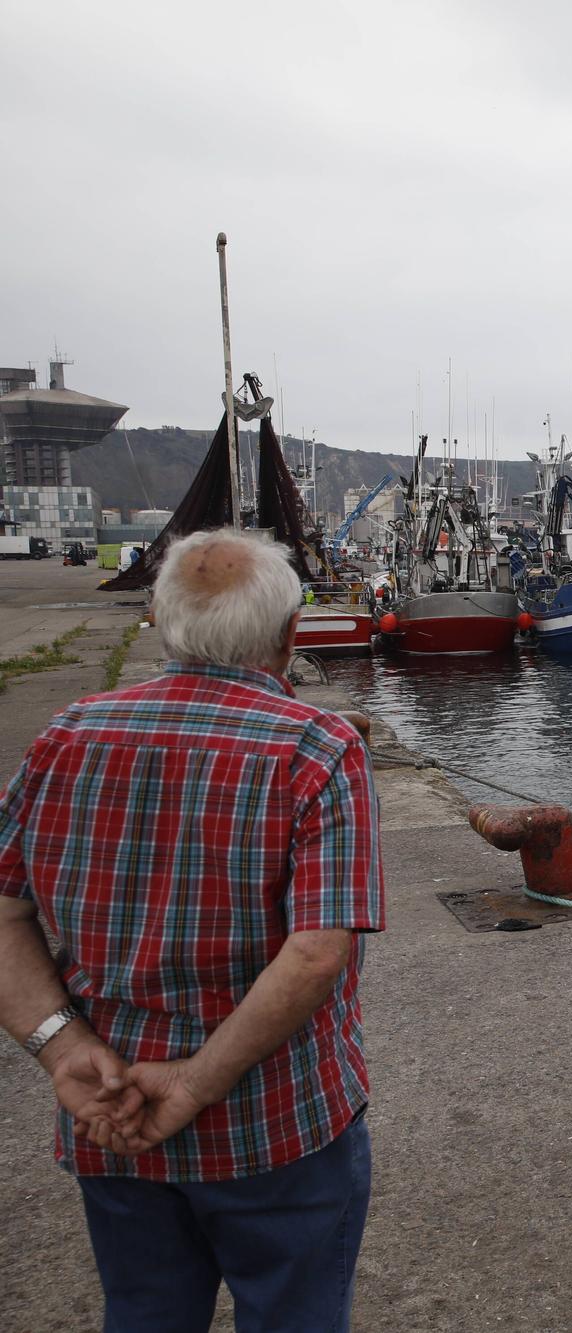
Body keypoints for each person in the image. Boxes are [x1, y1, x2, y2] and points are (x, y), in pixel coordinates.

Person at [0, 527, 385, 1332]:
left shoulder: (65, 735)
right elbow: (316, 951)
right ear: (288, 636)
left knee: (143, 1312)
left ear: (157, 616)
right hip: (276, 1126)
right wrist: (194, 1084)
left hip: (111, 1116)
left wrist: (68, 1053)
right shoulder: (317, 748)